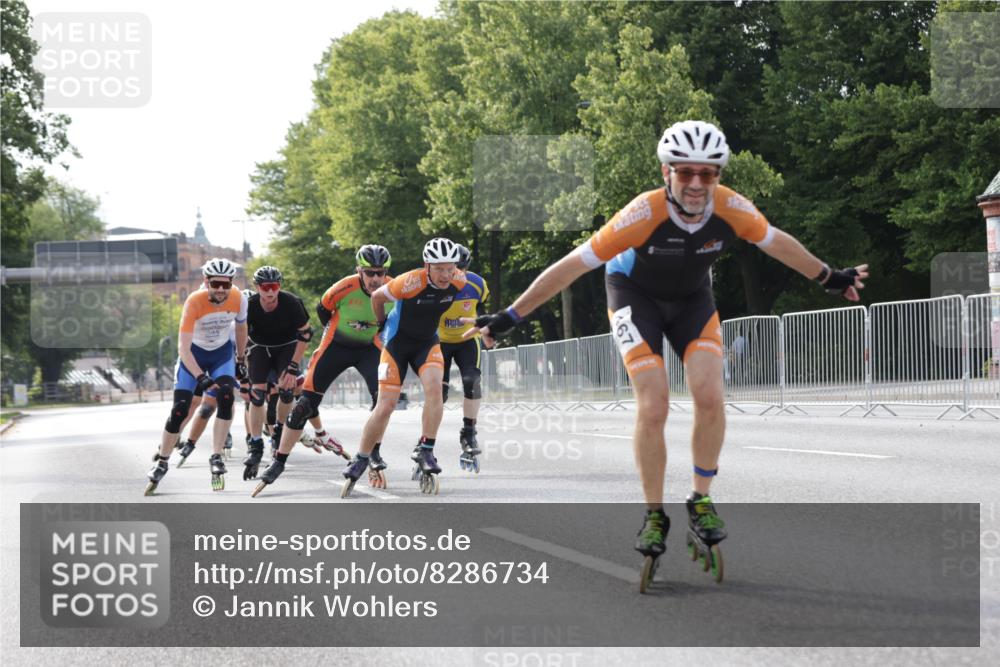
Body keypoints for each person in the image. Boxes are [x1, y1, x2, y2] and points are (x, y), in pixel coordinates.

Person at [468, 120, 869, 568]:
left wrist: (829, 277)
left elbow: (777, 244)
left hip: (693, 302)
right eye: (685, 172)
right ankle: (654, 514)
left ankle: (700, 499)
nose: (697, 183)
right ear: (666, 173)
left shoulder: (732, 208)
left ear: (718, 175)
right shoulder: (642, 213)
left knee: (710, 395)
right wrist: (510, 316)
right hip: (632, 298)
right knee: (654, 402)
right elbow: (572, 266)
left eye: (707, 173)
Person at [251, 245, 394, 495]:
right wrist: (339, 330)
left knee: (381, 401)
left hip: (369, 349)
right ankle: (279, 461)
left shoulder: (393, 289)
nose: (375, 278)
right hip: (335, 346)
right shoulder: (344, 287)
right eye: (369, 272)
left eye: (380, 273)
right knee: (304, 406)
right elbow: (323, 310)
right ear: (358, 271)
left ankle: (373, 453)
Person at [145, 258, 248, 494]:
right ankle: (162, 461)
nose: (220, 289)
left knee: (226, 397)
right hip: (193, 354)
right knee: (180, 409)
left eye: (226, 284)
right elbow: (183, 348)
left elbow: (242, 328)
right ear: (206, 281)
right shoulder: (194, 301)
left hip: (221, 354)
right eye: (215, 284)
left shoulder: (239, 298)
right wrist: (200, 376)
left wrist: (241, 360)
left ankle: (216, 456)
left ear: (231, 283)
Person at [240, 265, 313, 480]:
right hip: (259, 347)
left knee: (287, 391)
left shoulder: (292, 302)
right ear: (257, 287)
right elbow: (240, 333)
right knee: (257, 395)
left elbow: (305, 335)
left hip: (287, 346)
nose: (270, 291)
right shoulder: (249, 305)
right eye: (265, 287)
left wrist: (293, 367)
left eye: (274, 286)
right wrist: (240, 361)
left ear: (280, 286)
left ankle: (279, 432)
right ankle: (255, 445)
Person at [438, 244, 494, 471]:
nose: (456, 274)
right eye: (452, 269)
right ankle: (425, 442)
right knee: (438, 394)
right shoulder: (434, 284)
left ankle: (469, 433)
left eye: (461, 269)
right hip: (439, 341)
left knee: (473, 381)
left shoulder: (478, 284)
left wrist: (487, 329)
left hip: (467, 340)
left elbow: (481, 309)